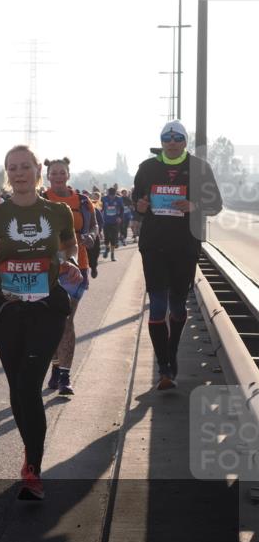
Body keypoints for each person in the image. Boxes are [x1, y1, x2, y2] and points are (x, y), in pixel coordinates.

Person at [0, 145, 80, 500]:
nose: (19, 173)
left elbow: (69, 247)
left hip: (46, 309)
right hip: (7, 312)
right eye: (12, 168)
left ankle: (33, 467)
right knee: (18, 387)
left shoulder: (57, 211)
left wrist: (66, 262)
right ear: (7, 173)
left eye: (25, 167)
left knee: (30, 383)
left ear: (37, 171)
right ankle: (30, 453)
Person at [132, 119, 222, 390]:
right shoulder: (146, 168)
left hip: (185, 247)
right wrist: (140, 204)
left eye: (177, 138)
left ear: (185, 141)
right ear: (161, 142)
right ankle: (164, 368)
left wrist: (194, 205)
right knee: (158, 305)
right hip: (154, 246)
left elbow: (216, 204)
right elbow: (136, 201)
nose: (171, 142)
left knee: (178, 305)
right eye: (166, 138)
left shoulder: (199, 168)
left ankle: (171, 356)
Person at [43, 158, 94, 396]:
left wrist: (90, 237)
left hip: (76, 266)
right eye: (54, 173)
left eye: (62, 173)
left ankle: (65, 375)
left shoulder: (82, 201)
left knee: (66, 320)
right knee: (50, 322)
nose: (58, 176)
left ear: (68, 174)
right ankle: (54, 367)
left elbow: (94, 228)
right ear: (48, 176)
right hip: (47, 268)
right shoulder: (41, 200)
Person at [101, 187, 124, 261]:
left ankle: (112, 255)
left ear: (115, 194)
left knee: (113, 238)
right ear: (108, 193)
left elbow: (122, 209)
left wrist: (120, 217)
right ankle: (107, 248)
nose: (112, 197)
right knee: (107, 237)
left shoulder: (119, 199)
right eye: (110, 195)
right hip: (106, 221)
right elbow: (100, 209)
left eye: (113, 195)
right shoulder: (103, 199)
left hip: (115, 222)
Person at [87, 191, 104, 279]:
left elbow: (100, 222)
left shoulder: (95, 210)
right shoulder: (79, 210)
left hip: (94, 235)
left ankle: (94, 267)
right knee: (87, 255)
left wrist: (98, 231)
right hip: (83, 236)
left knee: (95, 253)